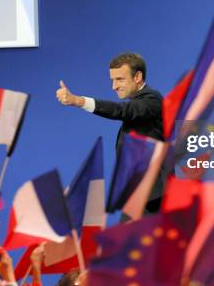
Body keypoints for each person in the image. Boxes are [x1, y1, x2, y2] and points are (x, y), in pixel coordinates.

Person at [56, 52, 165, 213]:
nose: (114, 86)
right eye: (112, 80)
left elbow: (121, 111)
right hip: (139, 193)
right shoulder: (140, 102)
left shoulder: (151, 99)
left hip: (152, 196)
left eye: (120, 79)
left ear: (137, 77)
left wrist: (79, 101)